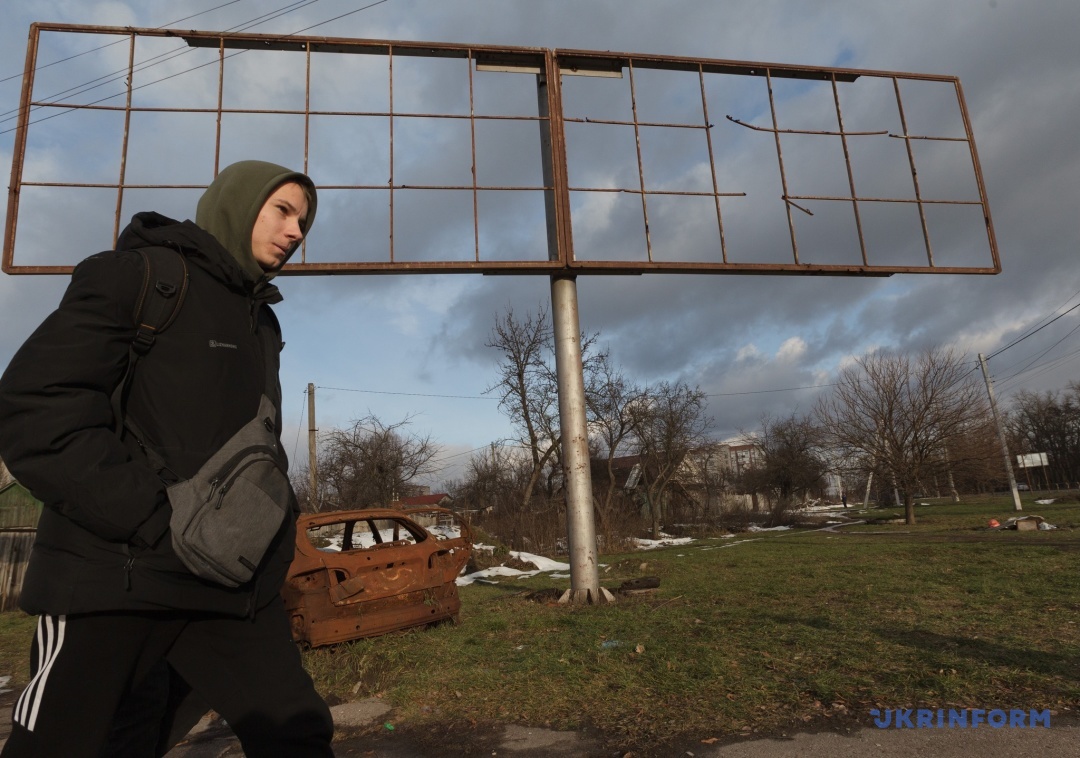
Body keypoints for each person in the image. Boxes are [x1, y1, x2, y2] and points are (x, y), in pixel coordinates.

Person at [0, 160, 334, 757]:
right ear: (237, 203)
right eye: (282, 210)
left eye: (304, 221)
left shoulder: (261, 319)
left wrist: (271, 527)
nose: (295, 232)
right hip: (112, 576)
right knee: (62, 744)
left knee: (297, 732)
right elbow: (36, 404)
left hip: (224, 587)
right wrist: (153, 520)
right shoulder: (140, 277)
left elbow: (251, 450)